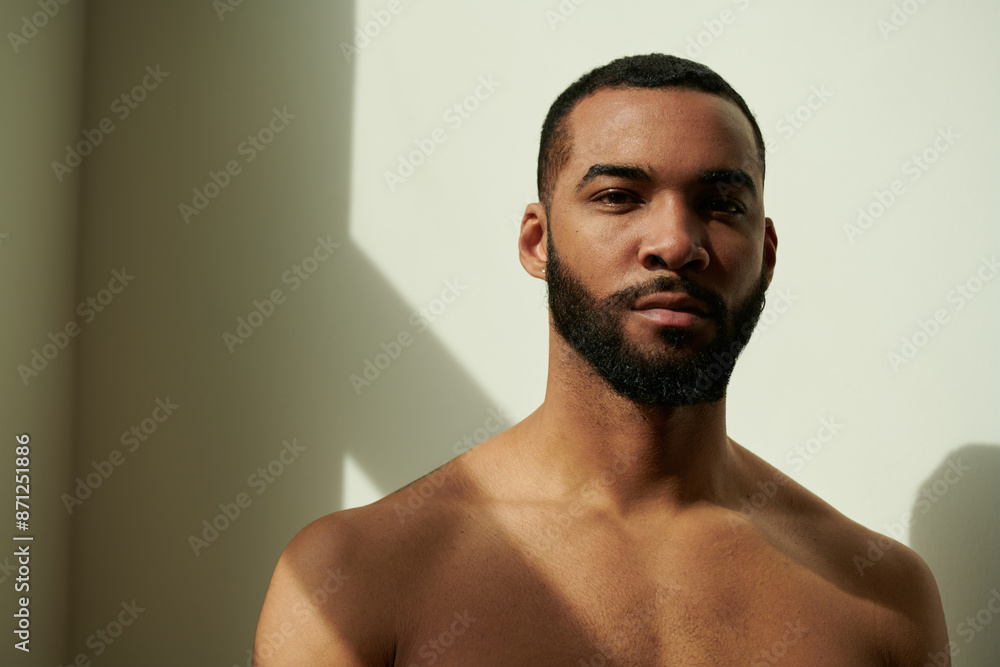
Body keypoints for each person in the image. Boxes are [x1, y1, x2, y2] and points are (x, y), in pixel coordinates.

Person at [254, 53, 950, 666]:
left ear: (765, 256)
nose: (675, 243)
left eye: (719, 205)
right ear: (539, 242)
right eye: (618, 197)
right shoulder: (353, 578)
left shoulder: (883, 598)